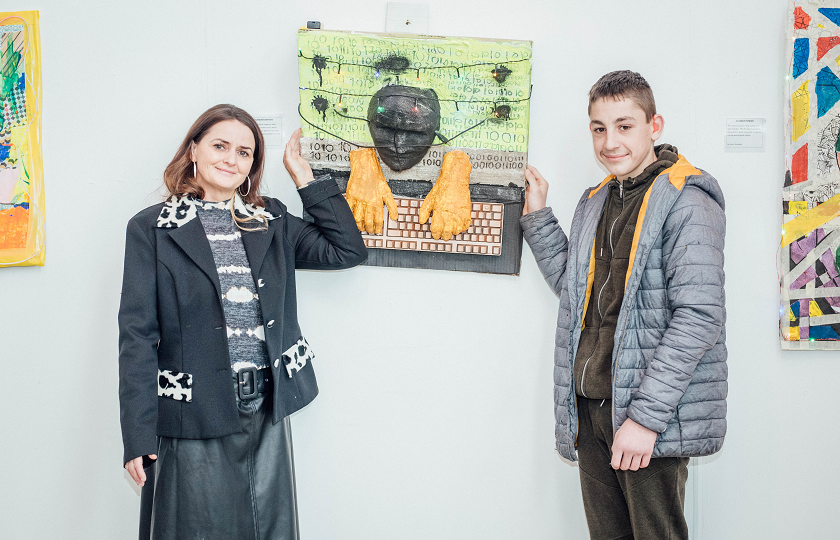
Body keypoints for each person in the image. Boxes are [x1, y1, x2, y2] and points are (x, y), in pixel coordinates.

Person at [118, 104, 367, 540]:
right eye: (220, 146)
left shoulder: (269, 219)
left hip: (266, 411)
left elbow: (346, 250)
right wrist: (138, 435)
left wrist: (303, 178)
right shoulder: (151, 228)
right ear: (193, 149)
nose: (231, 159)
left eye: (245, 152)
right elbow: (137, 336)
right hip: (193, 414)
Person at [520, 71, 727, 540]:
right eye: (599, 128)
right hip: (592, 408)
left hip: (645, 416)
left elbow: (698, 317)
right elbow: (576, 290)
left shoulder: (687, 199)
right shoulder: (595, 199)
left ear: (655, 125)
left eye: (624, 125)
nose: (610, 141)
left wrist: (644, 420)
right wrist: (537, 217)